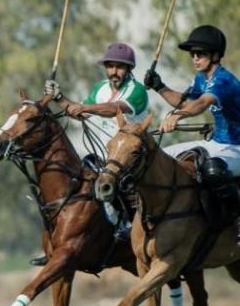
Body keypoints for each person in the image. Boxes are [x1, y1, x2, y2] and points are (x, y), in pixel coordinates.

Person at [32, 43, 149, 266]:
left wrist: (85, 108)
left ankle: (126, 229)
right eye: (110, 66)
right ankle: (57, 244)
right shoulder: (100, 87)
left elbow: (113, 108)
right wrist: (59, 97)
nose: (114, 72)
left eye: (120, 67)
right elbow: (78, 112)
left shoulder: (137, 91)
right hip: (99, 153)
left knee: (118, 187)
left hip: (128, 156)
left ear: (129, 69)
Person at [145, 25, 240, 246]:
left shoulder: (223, 80)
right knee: (161, 158)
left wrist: (177, 117)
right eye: (193, 54)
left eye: (201, 54)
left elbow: (200, 104)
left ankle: (237, 218)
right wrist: (159, 87)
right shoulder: (201, 78)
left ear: (215, 56)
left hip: (238, 147)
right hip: (220, 143)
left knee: (212, 168)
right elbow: (185, 101)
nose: (195, 58)